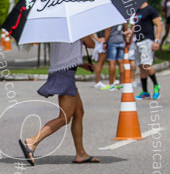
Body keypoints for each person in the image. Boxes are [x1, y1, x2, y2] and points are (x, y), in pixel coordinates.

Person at [19, 35, 99, 165]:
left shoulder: (59, 30)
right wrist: (85, 33)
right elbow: (91, 44)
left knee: (78, 113)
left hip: (62, 71)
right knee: (64, 117)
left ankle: (81, 153)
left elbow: (65, 55)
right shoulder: (75, 30)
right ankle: (33, 141)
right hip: (65, 74)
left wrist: (83, 65)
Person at [131, 1, 162, 99]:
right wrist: (130, 33)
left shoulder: (150, 10)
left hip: (147, 40)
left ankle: (156, 86)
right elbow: (135, 26)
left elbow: (159, 25)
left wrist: (156, 40)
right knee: (141, 66)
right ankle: (145, 91)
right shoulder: (136, 11)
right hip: (138, 40)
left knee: (147, 65)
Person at [97, 23, 126, 90]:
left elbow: (108, 30)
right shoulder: (122, 19)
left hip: (112, 41)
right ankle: (122, 83)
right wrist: (124, 40)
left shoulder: (112, 20)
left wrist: (105, 42)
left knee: (112, 62)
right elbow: (125, 29)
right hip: (121, 40)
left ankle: (111, 83)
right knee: (121, 62)